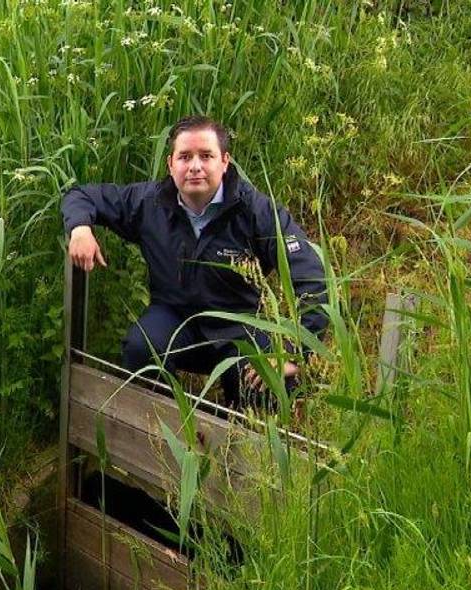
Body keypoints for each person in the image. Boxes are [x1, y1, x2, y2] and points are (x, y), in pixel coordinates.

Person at [61, 115, 329, 409]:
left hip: (239, 324)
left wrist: (294, 353)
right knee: (141, 349)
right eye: (185, 157)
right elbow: (82, 195)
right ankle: (161, 434)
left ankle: (244, 443)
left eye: (206, 156)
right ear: (171, 164)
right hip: (173, 318)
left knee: (269, 378)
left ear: (225, 162)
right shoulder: (149, 203)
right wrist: (80, 228)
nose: (195, 166)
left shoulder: (257, 211)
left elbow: (310, 275)